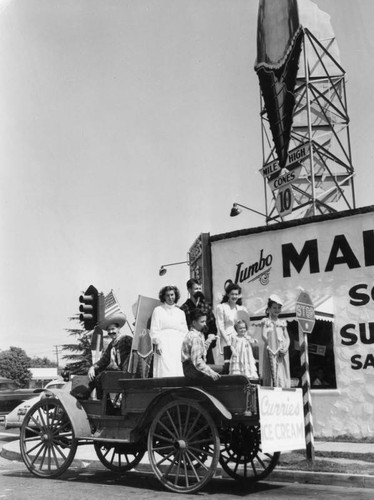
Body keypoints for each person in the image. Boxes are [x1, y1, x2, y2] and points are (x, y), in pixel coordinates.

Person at [85, 311, 132, 399]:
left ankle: (102, 403)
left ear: (118, 329)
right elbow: (103, 361)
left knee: (100, 378)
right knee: (97, 372)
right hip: (119, 374)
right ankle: (105, 403)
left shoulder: (126, 339)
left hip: (127, 374)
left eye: (113, 329)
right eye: (109, 330)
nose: (111, 332)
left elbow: (136, 349)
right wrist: (92, 367)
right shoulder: (111, 345)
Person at [150, 285, 188, 377]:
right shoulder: (158, 310)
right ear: (163, 297)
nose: (170, 297)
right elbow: (154, 328)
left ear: (175, 296)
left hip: (177, 344)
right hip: (164, 344)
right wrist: (157, 343)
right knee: (164, 369)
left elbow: (184, 331)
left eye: (172, 295)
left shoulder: (180, 312)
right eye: (167, 295)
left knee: (176, 368)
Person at [180, 278, 217, 364]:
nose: (198, 291)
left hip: (206, 346)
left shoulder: (206, 307)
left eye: (200, 288)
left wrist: (210, 338)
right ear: (189, 290)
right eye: (196, 288)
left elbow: (213, 326)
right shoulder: (184, 308)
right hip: (191, 346)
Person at [214, 283, 249, 370]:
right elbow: (220, 326)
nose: (234, 296)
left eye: (236, 294)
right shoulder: (221, 307)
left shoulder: (242, 309)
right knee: (227, 366)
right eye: (232, 294)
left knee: (240, 364)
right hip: (226, 339)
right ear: (228, 294)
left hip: (239, 339)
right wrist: (228, 342)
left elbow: (245, 326)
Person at [261, 294, 291, 388]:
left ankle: (283, 388)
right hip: (271, 349)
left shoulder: (282, 323)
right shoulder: (266, 321)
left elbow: (287, 337)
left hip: (282, 351)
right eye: (274, 308)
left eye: (279, 308)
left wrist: (285, 347)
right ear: (269, 309)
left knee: (282, 372)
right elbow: (263, 335)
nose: (277, 310)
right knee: (271, 372)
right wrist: (271, 344)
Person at [181, 308, 220, 380]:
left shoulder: (199, 334)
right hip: (192, 371)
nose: (205, 324)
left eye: (205, 321)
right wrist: (211, 373)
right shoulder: (194, 337)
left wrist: (209, 340)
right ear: (194, 323)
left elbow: (201, 351)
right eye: (202, 322)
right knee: (222, 370)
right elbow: (197, 361)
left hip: (193, 369)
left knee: (220, 369)